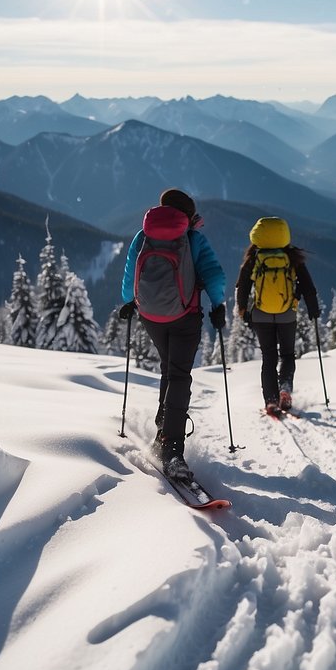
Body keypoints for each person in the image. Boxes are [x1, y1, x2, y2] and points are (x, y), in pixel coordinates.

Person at [119, 188, 226, 480]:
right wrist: (218, 305)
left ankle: (162, 431)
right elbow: (214, 275)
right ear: (188, 216)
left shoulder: (143, 237)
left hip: (151, 316)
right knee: (179, 376)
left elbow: (130, 274)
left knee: (170, 369)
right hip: (184, 317)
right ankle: (172, 449)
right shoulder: (193, 239)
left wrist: (129, 301)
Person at [235, 216, 320, 416]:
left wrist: (243, 311)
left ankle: (271, 401)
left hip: (261, 315)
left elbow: (243, 287)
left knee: (269, 357)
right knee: (288, 355)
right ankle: (285, 389)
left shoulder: (254, 258)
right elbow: (308, 286)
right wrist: (313, 310)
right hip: (287, 314)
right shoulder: (291, 257)